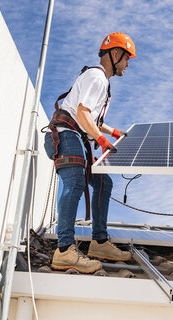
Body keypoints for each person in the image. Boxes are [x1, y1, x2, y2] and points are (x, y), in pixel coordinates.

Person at [43, 32, 135, 273]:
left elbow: (90, 116)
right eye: (127, 59)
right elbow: (82, 114)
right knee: (74, 183)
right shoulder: (97, 77)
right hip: (67, 134)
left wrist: (112, 131)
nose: (127, 65)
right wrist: (101, 140)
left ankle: (99, 242)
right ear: (115, 55)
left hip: (76, 135)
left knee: (103, 182)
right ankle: (64, 250)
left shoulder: (100, 81)